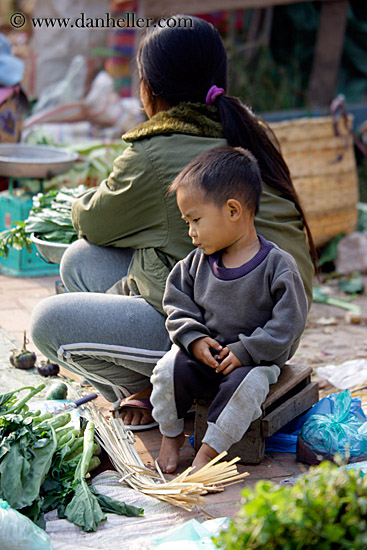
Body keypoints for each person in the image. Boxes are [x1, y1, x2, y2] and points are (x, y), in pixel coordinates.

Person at [30, 15, 315, 429]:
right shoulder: (250, 128)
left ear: (148, 88)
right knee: (80, 260)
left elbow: (94, 221)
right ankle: (152, 388)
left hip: (230, 339)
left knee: (46, 322)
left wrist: (83, 200)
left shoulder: (156, 150)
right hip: (278, 321)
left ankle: (150, 396)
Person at [150, 146, 308, 473]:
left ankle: (209, 451)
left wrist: (247, 350)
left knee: (246, 389)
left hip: (253, 362)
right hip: (206, 356)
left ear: (233, 210)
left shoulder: (278, 267)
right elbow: (177, 303)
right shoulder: (196, 264)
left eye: (195, 220)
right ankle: (171, 435)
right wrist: (194, 340)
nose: (190, 231)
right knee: (167, 369)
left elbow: (287, 325)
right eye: (187, 222)